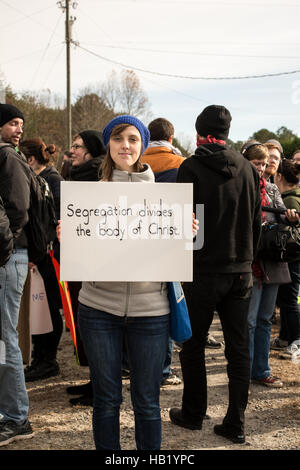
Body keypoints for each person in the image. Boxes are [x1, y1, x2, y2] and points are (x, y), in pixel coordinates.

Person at [57, 115, 197, 450]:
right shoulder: (89, 196)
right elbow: (82, 253)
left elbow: (181, 251)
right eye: (118, 139)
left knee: (147, 402)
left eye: (133, 139)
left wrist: (190, 235)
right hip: (98, 308)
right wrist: (68, 238)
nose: (126, 146)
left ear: (143, 145)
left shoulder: (166, 198)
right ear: (108, 145)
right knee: (106, 400)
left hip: (151, 311)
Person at [169, 105, 262, 444]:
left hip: (202, 270)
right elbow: (256, 224)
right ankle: (236, 422)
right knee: (239, 349)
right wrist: (248, 258)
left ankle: (193, 414)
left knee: (193, 346)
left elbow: (186, 224)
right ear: (227, 132)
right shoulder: (249, 170)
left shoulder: (191, 167)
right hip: (240, 272)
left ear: (198, 132)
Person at [241, 141, 299, 388]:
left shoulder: (273, 189)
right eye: (257, 164)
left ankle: (261, 370)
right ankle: (244, 370)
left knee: (265, 319)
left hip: (273, 259)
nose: (262, 168)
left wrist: (289, 216)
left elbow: (280, 215)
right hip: (250, 261)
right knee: (250, 321)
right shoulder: (240, 186)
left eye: (265, 164)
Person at [141, 117, 185, 386]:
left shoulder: (134, 161)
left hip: (134, 239)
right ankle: (162, 369)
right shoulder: (181, 165)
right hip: (170, 241)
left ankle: (131, 363)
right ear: (171, 138)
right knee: (166, 302)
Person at [0, 103, 34, 446]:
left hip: (7, 256)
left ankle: (16, 417)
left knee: (5, 335)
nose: (19, 128)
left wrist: (4, 244)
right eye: (13, 122)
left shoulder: (8, 156)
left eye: (20, 123)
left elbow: (19, 209)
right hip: (7, 254)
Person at [65, 130, 106, 407]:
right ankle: (95, 381)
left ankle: (100, 389)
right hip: (81, 258)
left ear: (91, 151)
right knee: (85, 324)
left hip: (93, 263)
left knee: (95, 326)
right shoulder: (81, 175)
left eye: (77, 147)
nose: (72, 151)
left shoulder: (94, 176)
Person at [19, 139, 64, 381]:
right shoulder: (39, 178)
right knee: (39, 307)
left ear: (30, 159)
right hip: (40, 253)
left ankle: (48, 360)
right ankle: (40, 358)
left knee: (49, 308)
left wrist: (42, 250)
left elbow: (53, 219)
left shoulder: (52, 179)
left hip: (49, 255)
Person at [272, 159, 300, 360]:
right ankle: (285, 337)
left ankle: (297, 340)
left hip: (293, 258)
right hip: (293, 259)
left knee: (289, 300)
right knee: (286, 298)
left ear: (279, 176)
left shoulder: (289, 201)